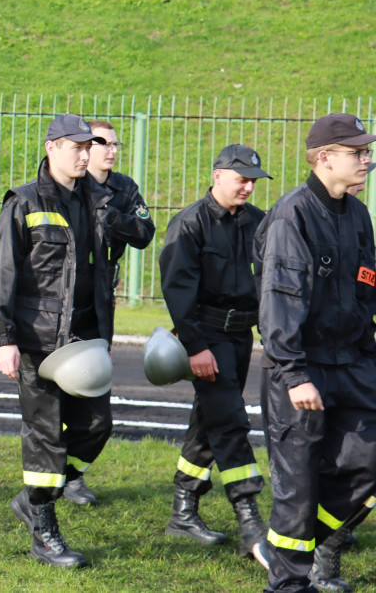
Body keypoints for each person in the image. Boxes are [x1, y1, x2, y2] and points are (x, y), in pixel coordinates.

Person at [0, 113, 117, 568]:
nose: (86, 154)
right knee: (45, 435)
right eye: (77, 146)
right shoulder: (23, 201)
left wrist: (104, 333)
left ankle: (35, 497)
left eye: (90, 147)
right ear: (52, 148)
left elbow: (109, 266)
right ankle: (44, 533)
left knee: (97, 426)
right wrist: (5, 338)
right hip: (37, 341)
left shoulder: (100, 200)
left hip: (86, 337)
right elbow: (3, 273)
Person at [255, 113, 376, 593]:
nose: (368, 161)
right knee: (298, 488)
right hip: (304, 370)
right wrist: (294, 372)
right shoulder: (293, 215)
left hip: (355, 364)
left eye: (367, 152)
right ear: (324, 158)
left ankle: (317, 545)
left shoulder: (359, 214)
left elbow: (368, 289)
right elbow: (281, 302)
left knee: (367, 462)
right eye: (358, 153)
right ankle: (287, 585)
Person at [158, 144, 271, 567]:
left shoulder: (260, 222)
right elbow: (177, 291)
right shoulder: (190, 223)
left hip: (242, 338)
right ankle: (251, 521)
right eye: (241, 178)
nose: (248, 187)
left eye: (253, 180)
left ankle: (182, 512)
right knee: (230, 421)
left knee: (209, 421)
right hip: (206, 337)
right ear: (218, 175)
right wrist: (196, 347)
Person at [73, 118, 156, 505]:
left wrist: (111, 217)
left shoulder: (124, 189)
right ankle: (50, 478)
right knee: (60, 396)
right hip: (65, 299)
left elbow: (144, 232)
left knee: (96, 402)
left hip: (102, 298)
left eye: (115, 144)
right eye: (102, 142)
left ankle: (71, 474)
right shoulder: (66, 188)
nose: (111, 150)